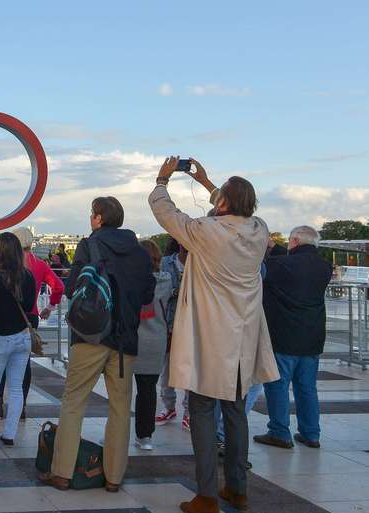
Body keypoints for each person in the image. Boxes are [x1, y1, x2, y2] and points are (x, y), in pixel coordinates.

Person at [149, 157, 279, 513]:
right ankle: (237, 488)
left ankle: (207, 494)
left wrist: (162, 179)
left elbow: (166, 213)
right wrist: (208, 184)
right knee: (236, 416)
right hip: (242, 340)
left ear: (222, 204)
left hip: (210, 339)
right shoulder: (260, 231)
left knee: (203, 414)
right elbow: (234, 208)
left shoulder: (207, 233)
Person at [40, 197, 154, 492]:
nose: (91, 218)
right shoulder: (140, 252)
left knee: (74, 401)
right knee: (119, 408)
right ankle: (114, 477)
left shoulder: (90, 245)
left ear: (100, 218)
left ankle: (62, 472)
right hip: (125, 340)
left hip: (90, 337)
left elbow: (73, 287)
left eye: (92, 214)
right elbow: (146, 296)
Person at [255, 225, 333, 450]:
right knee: (307, 387)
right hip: (313, 338)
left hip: (284, 336)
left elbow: (272, 268)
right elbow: (291, 263)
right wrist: (276, 246)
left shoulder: (280, 266)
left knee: (278, 386)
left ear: (295, 241)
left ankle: (279, 432)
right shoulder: (324, 267)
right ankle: (311, 433)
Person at [2, 228, 65, 419]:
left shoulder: (6, 265)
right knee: (24, 362)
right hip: (30, 317)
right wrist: (50, 306)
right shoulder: (40, 265)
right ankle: (22, 406)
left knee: (3, 361)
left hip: (6, 316)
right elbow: (59, 286)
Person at [0, 232, 35, 447]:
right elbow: (29, 306)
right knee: (16, 387)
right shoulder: (28, 276)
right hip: (22, 337)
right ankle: (10, 433)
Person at [133, 239, 173, 451]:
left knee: (120, 392)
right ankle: (145, 436)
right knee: (148, 391)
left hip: (131, 338)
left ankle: (117, 434)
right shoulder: (166, 282)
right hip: (156, 339)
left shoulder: (131, 280)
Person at [156, 239, 190, 429]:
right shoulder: (166, 262)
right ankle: (169, 406)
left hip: (190, 324)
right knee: (167, 368)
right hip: (167, 323)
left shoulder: (200, 263)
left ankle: (188, 411)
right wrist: (177, 291)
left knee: (189, 369)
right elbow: (158, 290)